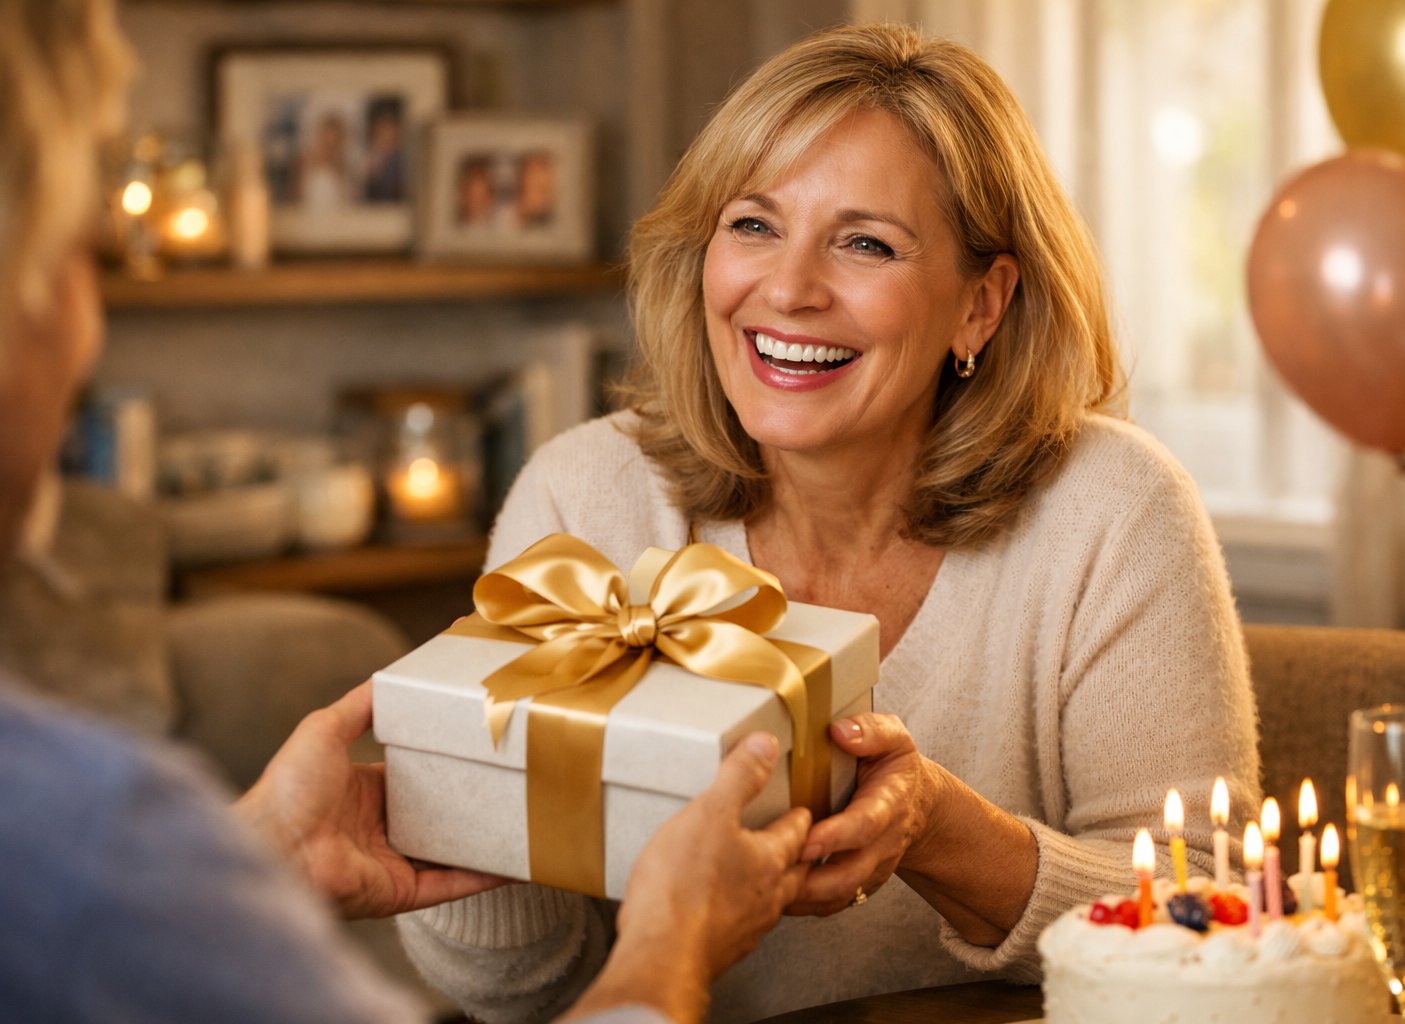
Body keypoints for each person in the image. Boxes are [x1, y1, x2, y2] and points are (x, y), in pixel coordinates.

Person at [399, 22, 1262, 1023]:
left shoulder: (1111, 509)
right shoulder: (587, 495)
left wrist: (936, 830)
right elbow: (520, 992)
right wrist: (456, 796)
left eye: (865, 244)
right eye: (754, 225)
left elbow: (1209, 921)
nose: (791, 290)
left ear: (980, 306)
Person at [0, 3, 810, 1022]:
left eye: (867, 242)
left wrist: (248, 857)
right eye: (78, 252)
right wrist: (671, 940)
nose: (89, 323)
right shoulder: (83, 837)